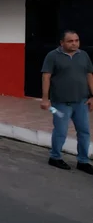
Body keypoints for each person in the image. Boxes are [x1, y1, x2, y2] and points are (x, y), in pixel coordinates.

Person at [41, 30, 93, 175]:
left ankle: (83, 161)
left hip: (81, 102)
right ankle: (55, 157)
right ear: (62, 43)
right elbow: (46, 77)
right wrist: (45, 99)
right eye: (70, 41)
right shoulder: (52, 56)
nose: (74, 43)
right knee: (60, 132)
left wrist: (92, 95)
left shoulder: (83, 55)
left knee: (84, 132)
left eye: (76, 40)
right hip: (60, 104)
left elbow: (89, 75)